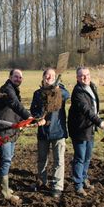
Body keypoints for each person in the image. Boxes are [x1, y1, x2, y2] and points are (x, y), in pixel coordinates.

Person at [0, 69, 33, 202]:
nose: (18, 79)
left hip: (11, 130)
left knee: (6, 159)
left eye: (20, 77)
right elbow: (15, 104)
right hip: (4, 130)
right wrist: (29, 116)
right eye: (16, 76)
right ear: (10, 77)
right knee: (6, 159)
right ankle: (5, 192)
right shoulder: (7, 89)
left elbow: (16, 108)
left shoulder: (13, 89)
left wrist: (26, 120)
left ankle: (2, 185)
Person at [67, 67, 104, 196]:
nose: (85, 77)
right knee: (80, 157)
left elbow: (93, 107)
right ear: (77, 78)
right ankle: (78, 185)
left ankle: (84, 178)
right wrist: (99, 121)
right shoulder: (78, 92)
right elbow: (86, 110)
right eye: (82, 75)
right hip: (79, 128)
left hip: (89, 128)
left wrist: (96, 120)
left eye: (87, 75)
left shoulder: (92, 86)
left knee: (88, 156)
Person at [30, 68, 69, 198]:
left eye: (52, 75)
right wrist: (38, 117)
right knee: (42, 159)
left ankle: (57, 187)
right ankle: (42, 181)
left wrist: (56, 89)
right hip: (43, 131)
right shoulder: (37, 93)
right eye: (47, 75)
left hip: (58, 131)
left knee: (59, 160)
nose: (49, 77)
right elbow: (33, 109)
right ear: (43, 77)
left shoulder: (61, 91)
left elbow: (66, 95)